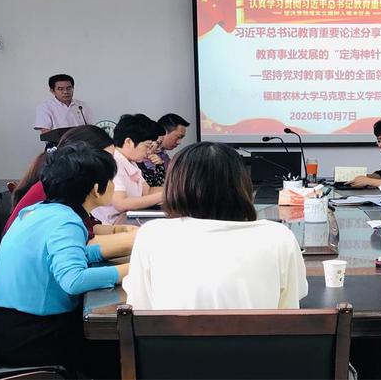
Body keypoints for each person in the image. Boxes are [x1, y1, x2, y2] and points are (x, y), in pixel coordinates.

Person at [0, 144, 128, 370]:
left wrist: (113, 254)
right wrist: (130, 269)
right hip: (33, 336)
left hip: (5, 327)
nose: (113, 185)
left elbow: (63, 254)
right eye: (111, 180)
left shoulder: (38, 210)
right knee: (120, 348)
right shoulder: (66, 221)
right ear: (95, 189)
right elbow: (74, 280)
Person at [123, 142, 308, 310]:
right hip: (260, 338)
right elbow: (291, 302)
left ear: (175, 186)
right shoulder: (277, 237)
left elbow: (140, 307)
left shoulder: (153, 235)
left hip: (172, 338)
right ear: (241, 185)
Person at [4, 126, 137, 259]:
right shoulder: (56, 190)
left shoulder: (62, 183)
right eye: (105, 159)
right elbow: (83, 246)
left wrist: (119, 230)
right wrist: (135, 239)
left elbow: (87, 229)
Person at [92, 114, 163, 225]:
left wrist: (176, 191)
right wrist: (163, 196)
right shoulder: (114, 161)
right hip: (110, 226)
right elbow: (121, 204)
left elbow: (147, 192)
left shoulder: (130, 161)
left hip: (127, 220)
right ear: (129, 142)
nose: (149, 152)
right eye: (147, 146)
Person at [138, 113, 190, 187]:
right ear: (164, 132)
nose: (179, 142)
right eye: (178, 137)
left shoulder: (163, 154)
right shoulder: (145, 156)